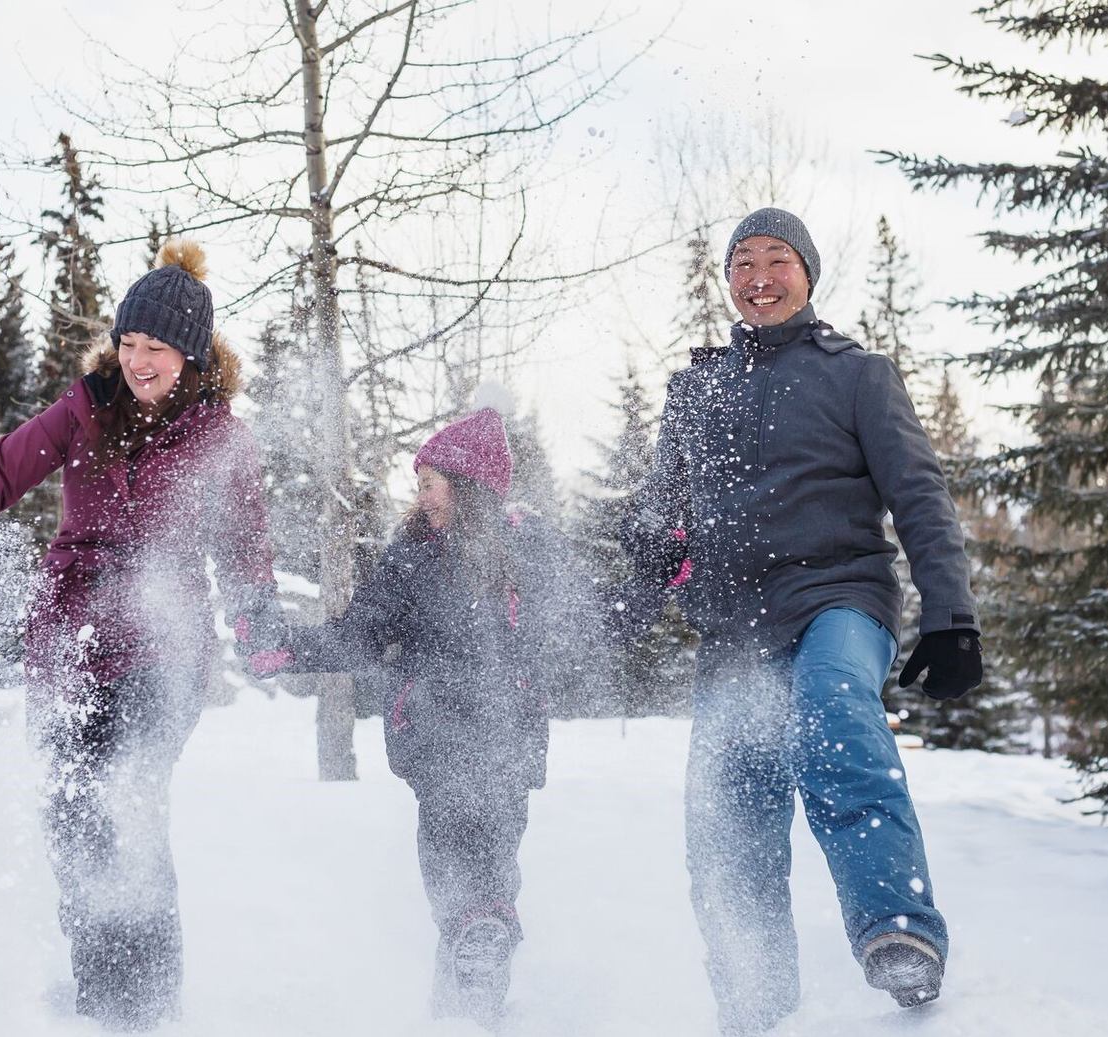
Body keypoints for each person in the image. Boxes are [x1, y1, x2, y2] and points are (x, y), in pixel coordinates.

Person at [619, 207, 985, 1033]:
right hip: (734, 628)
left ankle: (899, 929)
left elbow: (920, 497)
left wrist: (951, 617)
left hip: (838, 598)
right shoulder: (697, 387)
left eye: (775, 258)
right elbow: (660, 512)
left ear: (807, 274)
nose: (757, 276)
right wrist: (636, 576)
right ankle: (755, 1003)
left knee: (832, 710)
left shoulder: (858, 375)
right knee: (727, 814)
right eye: (741, 262)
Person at [0, 240, 281, 1031]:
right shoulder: (84, 408)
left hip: (165, 646)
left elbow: (243, 549)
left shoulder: (220, 437)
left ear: (190, 352)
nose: (137, 360)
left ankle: (152, 1008)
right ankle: (101, 1005)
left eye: (154, 347)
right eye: (127, 344)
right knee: (74, 820)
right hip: (69, 643)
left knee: (128, 802)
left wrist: (258, 622)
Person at [249, 405, 580, 1028]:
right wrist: (293, 646)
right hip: (439, 743)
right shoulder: (411, 558)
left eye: (430, 483)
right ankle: (469, 980)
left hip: (491, 740)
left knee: (469, 869)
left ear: (466, 485)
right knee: (466, 875)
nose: (421, 495)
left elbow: (579, 620)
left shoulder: (523, 552)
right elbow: (361, 634)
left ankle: (476, 959)